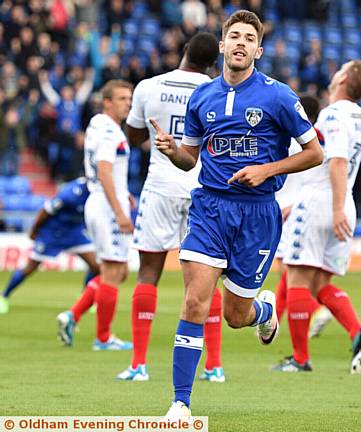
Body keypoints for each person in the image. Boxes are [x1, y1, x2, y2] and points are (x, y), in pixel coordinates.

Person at [153, 10, 323, 420]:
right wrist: (173, 149)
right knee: (195, 301)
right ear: (223, 46)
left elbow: (314, 153)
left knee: (234, 316)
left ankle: (263, 313)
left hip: (258, 215)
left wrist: (267, 169)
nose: (242, 43)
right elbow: (190, 158)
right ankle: (180, 404)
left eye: (250, 37)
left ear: (258, 50)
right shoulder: (202, 96)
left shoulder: (279, 96)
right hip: (210, 207)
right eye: (235, 36)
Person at [115, 33, 223, 383]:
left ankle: (139, 365)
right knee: (206, 281)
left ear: (185, 51)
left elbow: (132, 138)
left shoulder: (149, 86)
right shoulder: (218, 90)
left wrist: (154, 133)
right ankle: (214, 366)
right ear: (212, 62)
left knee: (148, 274)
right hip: (202, 190)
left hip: (161, 187)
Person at [273, 60, 361, 374]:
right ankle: (358, 333)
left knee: (298, 278)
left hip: (322, 201)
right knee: (320, 284)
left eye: (339, 69)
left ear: (343, 78)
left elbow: (337, 162)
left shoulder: (333, 114)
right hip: (345, 203)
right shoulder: (359, 118)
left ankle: (301, 359)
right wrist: (341, 207)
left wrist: (334, 208)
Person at [56, 79, 135, 351]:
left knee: (119, 271)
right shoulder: (111, 132)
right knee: (113, 271)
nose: (128, 103)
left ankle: (73, 315)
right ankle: (103, 338)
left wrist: (123, 194)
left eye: (130, 98)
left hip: (102, 199)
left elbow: (106, 172)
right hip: (105, 205)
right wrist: (119, 210)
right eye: (123, 99)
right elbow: (104, 171)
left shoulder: (96, 124)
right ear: (107, 102)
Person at [273, 94, 333, 338]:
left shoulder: (292, 141)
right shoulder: (316, 143)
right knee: (288, 273)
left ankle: (316, 309)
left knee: (287, 271)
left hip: (287, 210)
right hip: (299, 208)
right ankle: (273, 322)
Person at [0, 177, 99, 316]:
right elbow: (45, 210)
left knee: (96, 266)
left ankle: (85, 298)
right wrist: (34, 230)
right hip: (53, 233)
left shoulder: (100, 192)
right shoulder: (70, 193)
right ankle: (3, 296)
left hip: (74, 232)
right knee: (30, 268)